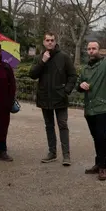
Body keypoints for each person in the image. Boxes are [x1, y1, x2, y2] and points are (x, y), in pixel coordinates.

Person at [29, 32, 77, 166]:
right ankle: (52, 153)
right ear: (44, 42)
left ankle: (66, 155)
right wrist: (42, 62)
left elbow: (73, 75)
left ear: (55, 42)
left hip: (60, 97)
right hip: (45, 97)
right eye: (47, 40)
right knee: (49, 126)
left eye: (52, 40)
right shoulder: (39, 57)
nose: (50, 42)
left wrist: (66, 90)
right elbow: (32, 74)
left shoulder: (64, 57)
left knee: (63, 125)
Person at [77, 41, 106, 181]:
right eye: (89, 49)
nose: (91, 51)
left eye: (94, 48)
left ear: (99, 50)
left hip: (103, 108)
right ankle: (98, 163)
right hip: (90, 109)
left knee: (102, 136)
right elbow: (78, 85)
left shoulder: (105, 64)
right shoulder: (84, 69)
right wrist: (80, 85)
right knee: (96, 137)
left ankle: (103, 167)